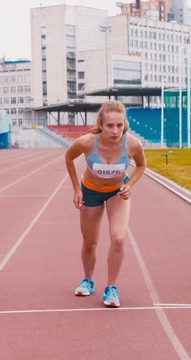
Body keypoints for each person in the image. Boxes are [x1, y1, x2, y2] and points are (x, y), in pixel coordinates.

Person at [64, 100, 146, 308]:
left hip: (117, 192)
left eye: (119, 125)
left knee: (118, 238)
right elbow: (69, 158)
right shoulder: (86, 142)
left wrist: (131, 185)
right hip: (90, 191)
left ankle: (111, 287)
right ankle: (88, 279)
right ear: (101, 124)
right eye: (110, 125)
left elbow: (142, 165)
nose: (115, 130)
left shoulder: (133, 144)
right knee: (90, 242)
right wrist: (76, 189)